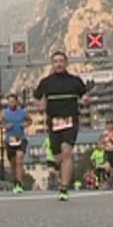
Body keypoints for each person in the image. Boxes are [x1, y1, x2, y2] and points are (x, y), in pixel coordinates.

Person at [32, 51, 89, 202]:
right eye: (55, 61)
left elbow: (84, 94)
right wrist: (40, 106)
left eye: (61, 61)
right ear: (52, 64)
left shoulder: (75, 81)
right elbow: (36, 98)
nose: (58, 64)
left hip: (71, 121)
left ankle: (64, 188)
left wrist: (85, 100)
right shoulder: (46, 82)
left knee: (67, 152)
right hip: (54, 123)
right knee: (58, 158)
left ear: (66, 63)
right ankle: (60, 174)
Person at [1, 94, 30, 193]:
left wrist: (25, 124)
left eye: (13, 101)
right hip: (10, 140)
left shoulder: (22, 112)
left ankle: (19, 183)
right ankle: (15, 181)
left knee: (19, 160)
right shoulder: (4, 113)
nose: (11, 104)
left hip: (21, 139)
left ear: (17, 102)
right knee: (13, 164)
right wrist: (5, 126)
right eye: (9, 102)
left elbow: (30, 120)